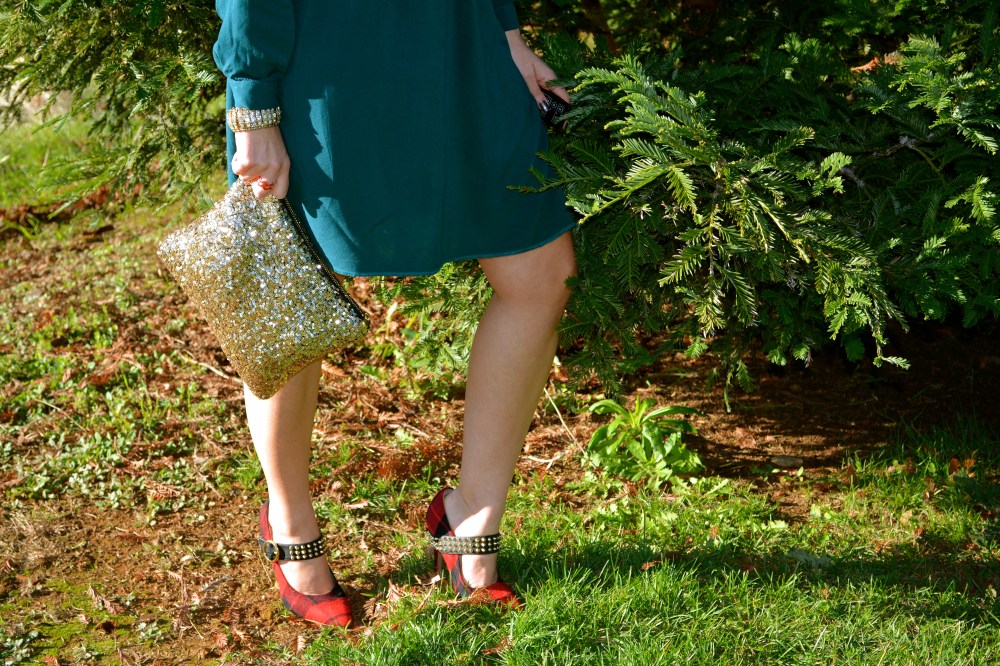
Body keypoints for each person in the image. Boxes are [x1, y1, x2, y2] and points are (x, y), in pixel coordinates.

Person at [213, 0, 576, 627]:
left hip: (465, 49)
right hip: (327, 57)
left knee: (543, 274)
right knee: (285, 289)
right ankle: (290, 517)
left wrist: (507, 33)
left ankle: (473, 514)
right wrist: (251, 104)